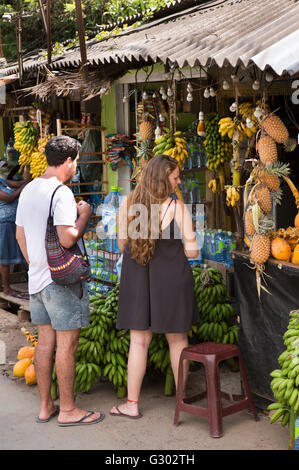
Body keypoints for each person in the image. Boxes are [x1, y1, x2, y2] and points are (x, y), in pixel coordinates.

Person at [15, 135, 104, 427]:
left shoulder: (28, 189)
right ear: (67, 162)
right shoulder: (61, 192)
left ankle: (46, 407)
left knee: (45, 344)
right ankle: (67, 410)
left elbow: (20, 235)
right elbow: (68, 238)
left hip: (37, 279)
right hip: (61, 281)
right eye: (76, 161)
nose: (76, 166)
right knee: (67, 346)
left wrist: (36, 264)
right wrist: (85, 216)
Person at [110, 154, 200, 419]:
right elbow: (193, 251)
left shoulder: (128, 204)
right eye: (175, 177)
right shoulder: (178, 208)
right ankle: (182, 404)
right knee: (178, 340)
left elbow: (122, 244)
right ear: (163, 179)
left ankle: (132, 404)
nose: (179, 181)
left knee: (138, 341)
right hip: (172, 279)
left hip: (137, 278)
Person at [0, 167, 29, 299]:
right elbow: (10, 197)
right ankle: (6, 288)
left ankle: (25, 284)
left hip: (13, 222)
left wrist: (29, 179)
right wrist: (24, 188)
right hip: (3, 223)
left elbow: (17, 184)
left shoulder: (2, 181)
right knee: (4, 256)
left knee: (18, 252)